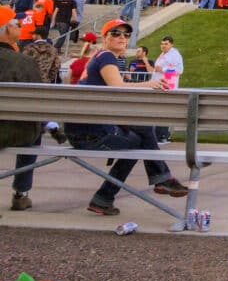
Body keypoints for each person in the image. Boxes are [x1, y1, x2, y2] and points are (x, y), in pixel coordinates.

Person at [64, 19, 189, 215]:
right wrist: (150, 84)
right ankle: (158, 178)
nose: (122, 37)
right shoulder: (106, 57)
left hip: (82, 129)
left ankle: (107, 197)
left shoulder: (99, 57)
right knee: (140, 139)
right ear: (105, 37)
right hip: (90, 134)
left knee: (142, 133)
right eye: (116, 33)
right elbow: (117, 87)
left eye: (126, 34)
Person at [0, 5, 44, 213]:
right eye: (18, 25)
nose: (20, 28)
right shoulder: (24, 62)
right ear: (7, 30)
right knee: (35, 130)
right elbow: (37, 102)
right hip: (13, 132)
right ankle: (21, 192)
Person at [152, 35, 184, 143]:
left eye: (166, 44)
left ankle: (163, 135)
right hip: (159, 86)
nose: (163, 46)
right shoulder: (163, 54)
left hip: (167, 86)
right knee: (158, 111)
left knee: (163, 111)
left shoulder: (175, 55)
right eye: (162, 44)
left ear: (171, 44)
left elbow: (179, 71)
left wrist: (163, 70)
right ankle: (158, 134)